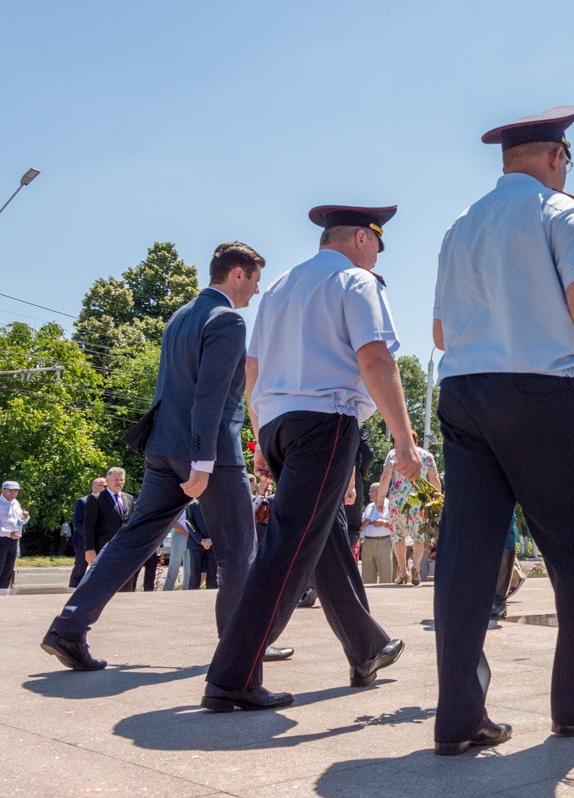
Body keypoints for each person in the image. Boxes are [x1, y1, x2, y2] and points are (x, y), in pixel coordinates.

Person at [430, 105, 574, 755]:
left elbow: (439, 333)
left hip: (464, 395)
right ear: (555, 157)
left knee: (466, 557)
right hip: (542, 390)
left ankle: (459, 718)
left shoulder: (461, 226)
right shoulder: (562, 211)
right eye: (567, 158)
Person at [201, 204, 420, 713]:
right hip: (326, 421)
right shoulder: (356, 282)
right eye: (376, 244)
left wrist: (261, 437)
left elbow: (252, 369)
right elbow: (374, 359)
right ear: (362, 238)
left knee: (322, 540)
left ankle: (366, 647)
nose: (376, 256)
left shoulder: (279, 286)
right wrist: (403, 439)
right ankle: (232, 676)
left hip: (278, 425)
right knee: (288, 549)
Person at [41, 242, 269, 672]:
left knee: (133, 539)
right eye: (255, 280)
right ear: (237, 274)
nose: (257, 291)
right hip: (209, 454)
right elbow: (209, 395)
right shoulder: (228, 320)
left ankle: (68, 627)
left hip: (162, 447)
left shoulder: (180, 316)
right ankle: (241, 648)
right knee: (240, 549)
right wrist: (203, 462)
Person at [379, 431, 440, 585]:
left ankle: (403, 572)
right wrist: (437, 500)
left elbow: (385, 476)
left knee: (398, 536)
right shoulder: (427, 456)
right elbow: (434, 478)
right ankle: (416, 567)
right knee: (419, 536)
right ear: (416, 441)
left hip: (398, 501)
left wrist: (380, 498)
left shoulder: (393, 454)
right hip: (419, 500)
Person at [81, 467, 135, 576]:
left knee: (125, 582)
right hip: (104, 550)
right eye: (116, 480)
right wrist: (89, 549)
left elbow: (131, 523)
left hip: (126, 549)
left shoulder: (129, 498)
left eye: (121, 480)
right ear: (107, 480)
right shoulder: (96, 498)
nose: (119, 482)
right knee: (104, 580)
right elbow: (88, 526)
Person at [0, 481, 29, 589]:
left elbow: (18, 522)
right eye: (10, 490)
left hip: (13, 540)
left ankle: (2, 594)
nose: (13, 493)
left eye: (16, 490)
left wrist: (25, 517)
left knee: (7, 571)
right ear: (2, 490)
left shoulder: (16, 503)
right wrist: (9, 533)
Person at [69, 477, 105, 587]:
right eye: (103, 486)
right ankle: (74, 588)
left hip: (101, 540)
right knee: (80, 566)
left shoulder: (106, 502)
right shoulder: (83, 501)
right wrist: (89, 536)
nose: (106, 488)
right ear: (95, 486)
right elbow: (78, 522)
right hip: (83, 541)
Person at [360, 482, 394, 584]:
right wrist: (364, 523)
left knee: (386, 576)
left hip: (384, 542)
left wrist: (383, 523)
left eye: (372, 491)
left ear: (380, 492)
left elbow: (397, 525)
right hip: (368, 543)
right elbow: (362, 523)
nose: (369, 493)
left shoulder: (390, 505)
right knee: (367, 578)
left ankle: (386, 594)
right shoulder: (369, 506)